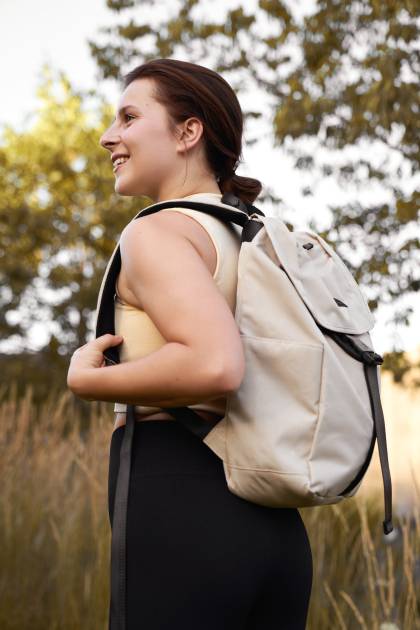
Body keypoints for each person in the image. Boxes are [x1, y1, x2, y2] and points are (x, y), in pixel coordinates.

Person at [68, 58, 313, 629]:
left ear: (188, 132)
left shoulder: (156, 230)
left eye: (129, 117)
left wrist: (90, 381)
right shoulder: (256, 240)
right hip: (276, 524)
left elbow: (215, 363)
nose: (108, 136)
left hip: (181, 506)